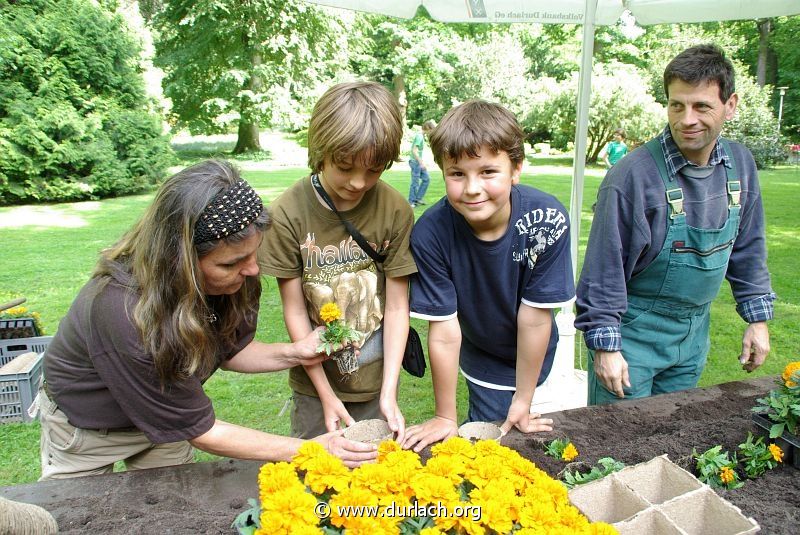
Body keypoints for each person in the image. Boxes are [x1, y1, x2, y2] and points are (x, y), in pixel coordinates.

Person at [37, 160, 376, 480]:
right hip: (89, 428)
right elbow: (201, 430)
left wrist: (295, 352)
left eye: (252, 255)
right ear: (179, 261)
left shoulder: (237, 272)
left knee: (173, 506)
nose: (253, 270)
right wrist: (310, 449)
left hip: (167, 416)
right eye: (230, 264)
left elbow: (228, 350)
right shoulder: (122, 312)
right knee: (75, 518)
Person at [575, 44, 775, 405]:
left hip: (693, 335)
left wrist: (756, 318)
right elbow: (604, 271)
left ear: (730, 105)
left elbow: (748, 247)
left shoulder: (740, 165)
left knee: (674, 439)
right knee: (618, 448)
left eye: (702, 106)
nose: (687, 119)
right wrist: (605, 347)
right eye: (676, 105)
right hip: (632, 338)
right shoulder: (632, 177)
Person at [402, 100, 574, 452]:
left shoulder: (548, 218)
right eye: (457, 174)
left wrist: (524, 398)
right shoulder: (430, 234)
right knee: (489, 444)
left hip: (537, 347)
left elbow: (536, 318)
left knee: (537, 434)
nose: (472, 188)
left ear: (516, 169)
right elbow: (445, 332)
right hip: (482, 356)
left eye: (487, 172)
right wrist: (445, 416)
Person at [259, 81, 417, 442]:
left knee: (377, 485)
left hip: (377, 382)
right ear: (321, 150)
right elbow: (296, 312)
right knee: (318, 484)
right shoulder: (288, 212)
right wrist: (327, 397)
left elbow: (396, 308)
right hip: (315, 390)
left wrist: (389, 392)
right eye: (344, 167)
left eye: (375, 170)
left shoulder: (395, 210)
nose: (359, 182)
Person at [408, 120, 436, 208]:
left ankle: (418, 198)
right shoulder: (419, 136)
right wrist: (421, 163)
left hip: (418, 162)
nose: (431, 133)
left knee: (426, 179)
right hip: (415, 162)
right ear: (427, 128)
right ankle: (411, 201)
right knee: (415, 182)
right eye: (431, 130)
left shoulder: (421, 136)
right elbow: (414, 151)